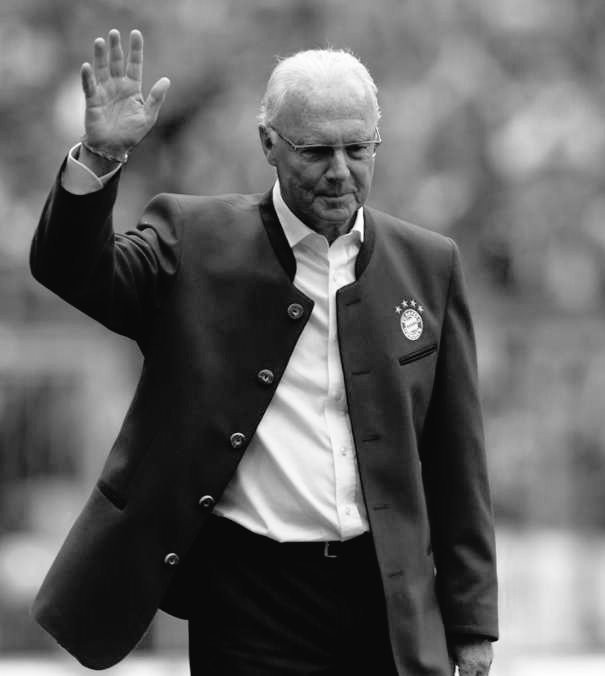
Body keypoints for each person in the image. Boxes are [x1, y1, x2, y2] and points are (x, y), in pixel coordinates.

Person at [30, 29, 498, 676]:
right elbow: (73, 270)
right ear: (268, 144)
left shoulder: (429, 264)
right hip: (249, 600)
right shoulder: (192, 239)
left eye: (357, 148)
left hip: (388, 599)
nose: (340, 170)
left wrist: (472, 624)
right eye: (316, 150)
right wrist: (101, 156)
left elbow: (456, 460)